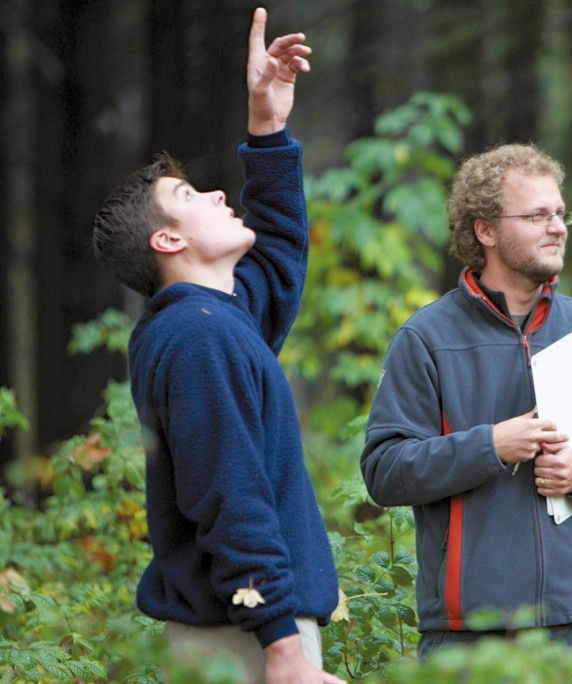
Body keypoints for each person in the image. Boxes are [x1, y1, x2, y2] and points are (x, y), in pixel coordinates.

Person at [91, 9, 343, 684]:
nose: (215, 193)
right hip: (246, 638)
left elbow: (279, 257)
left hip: (246, 629)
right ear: (168, 239)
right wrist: (282, 644)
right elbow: (230, 498)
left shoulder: (211, 321)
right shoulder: (199, 337)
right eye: (190, 194)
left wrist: (268, 127)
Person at [360, 143, 572, 680]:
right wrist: (489, 447)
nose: (558, 227)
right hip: (469, 634)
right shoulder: (426, 337)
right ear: (485, 230)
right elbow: (385, 471)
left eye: (560, 213)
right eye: (537, 215)